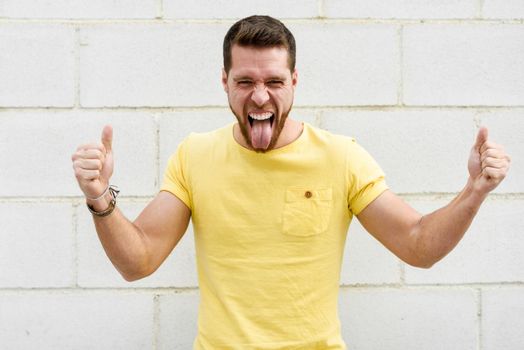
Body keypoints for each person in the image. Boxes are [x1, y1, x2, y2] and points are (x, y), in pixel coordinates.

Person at [72, 15, 510, 349]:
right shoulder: (195, 155)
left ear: (295, 82)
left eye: (274, 82)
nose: (260, 96)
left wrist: (474, 192)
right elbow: (139, 261)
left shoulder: (341, 156)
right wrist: (99, 199)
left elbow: (418, 246)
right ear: (224, 82)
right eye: (245, 81)